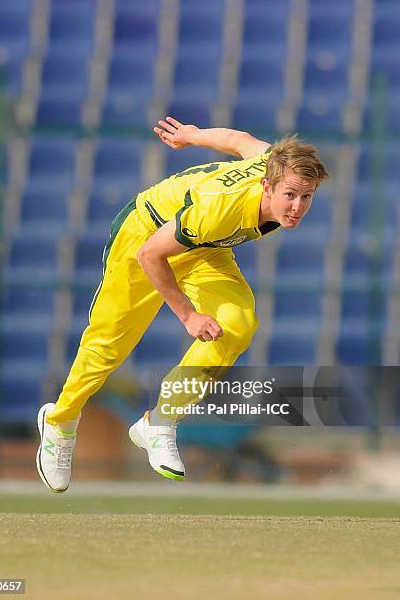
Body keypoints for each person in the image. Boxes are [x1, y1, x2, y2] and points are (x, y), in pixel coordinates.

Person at [36, 117, 329, 492]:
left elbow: (239, 139)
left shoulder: (273, 161)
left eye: (307, 197)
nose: (297, 206)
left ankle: (159, 421)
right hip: (146, 235)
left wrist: (193, 136)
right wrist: (188, 315)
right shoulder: (221, 209)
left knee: (237, 325)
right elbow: (150, 254)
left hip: (203, 249)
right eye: (290, 195)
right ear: (267, 186)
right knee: (108, 345)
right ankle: (60, 422)